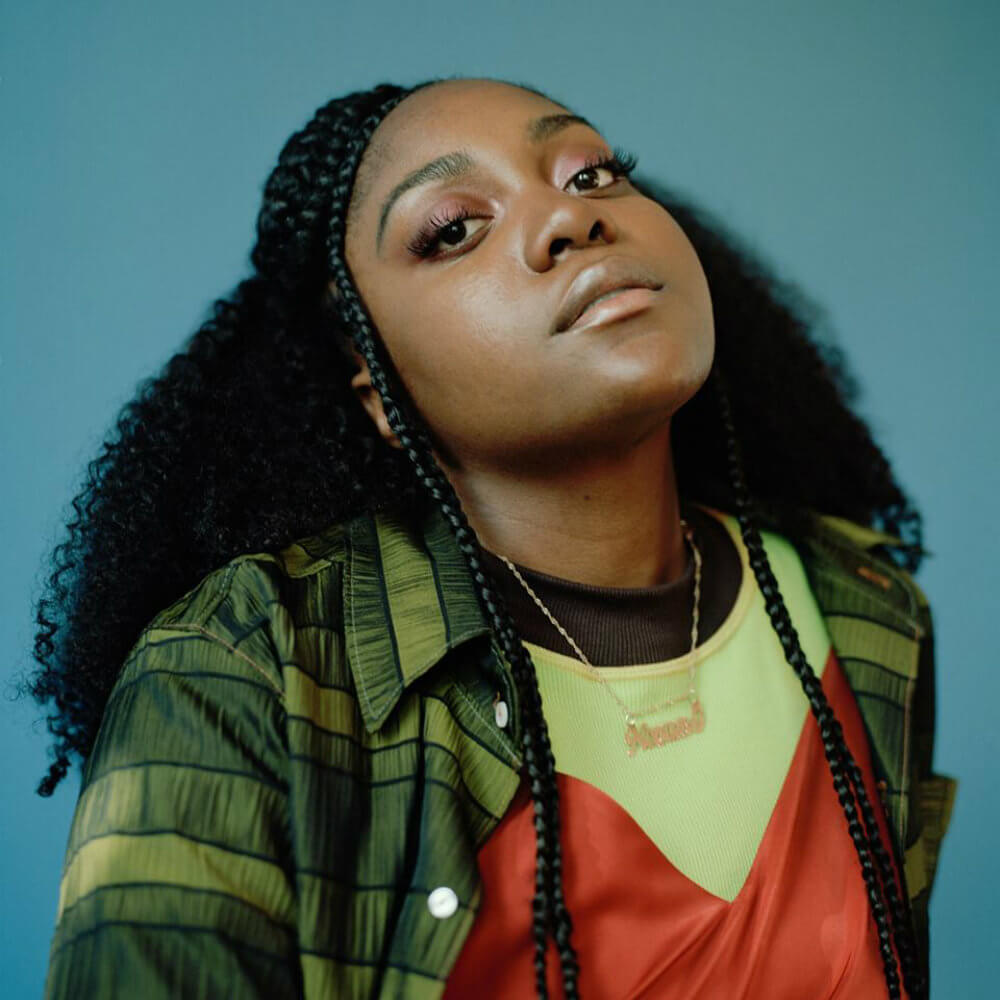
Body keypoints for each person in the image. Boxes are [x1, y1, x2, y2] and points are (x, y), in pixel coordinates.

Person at [25, 75, 956, 999]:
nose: (571, 219)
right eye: (453, 229)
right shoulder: (242, 665)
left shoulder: (865, 611)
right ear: (379, 394)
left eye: (592, 173)